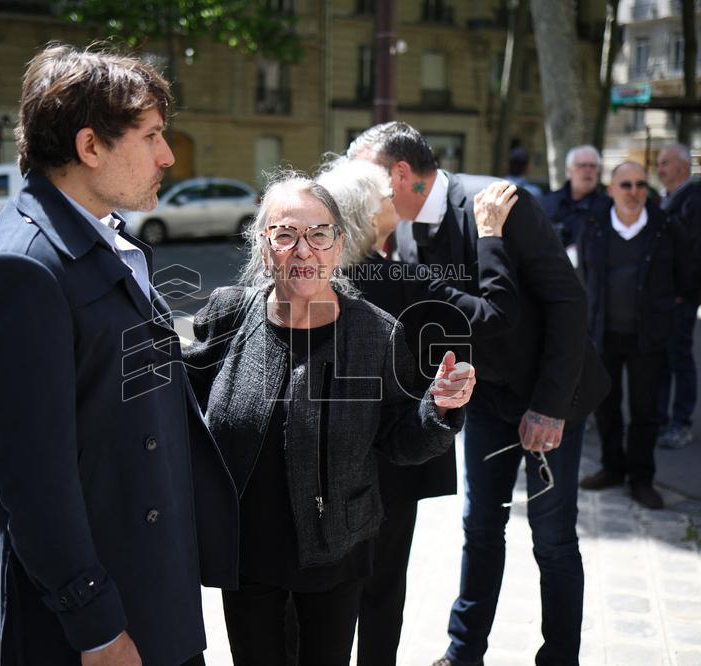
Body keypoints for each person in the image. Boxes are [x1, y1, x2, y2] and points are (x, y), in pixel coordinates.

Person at [0, 43, 238, 666]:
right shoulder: (21, 267)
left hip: (146, 577)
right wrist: (96, 627)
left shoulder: (100, 233)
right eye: (152, 136)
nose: (168, 155)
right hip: (95, 611)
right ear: (90, 146)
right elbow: (34, 478)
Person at [182, 173, 475, 666]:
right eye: (285, 234)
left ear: (338, 245)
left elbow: (400, 442)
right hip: (247, 553)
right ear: (263, 246)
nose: (304, 250)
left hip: (337, 552)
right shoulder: (229, 316)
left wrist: (438, 409)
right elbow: (181, 407)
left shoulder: (375, 335)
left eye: (319, 234)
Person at [347, 122, 609, 666]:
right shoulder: (399, 227)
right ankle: (464, 652)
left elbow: (568, 303)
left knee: (552, 537)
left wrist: (549, 407)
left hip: (550, 394)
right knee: (481, 528)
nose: (359, 191)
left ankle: (560, 658)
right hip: (485, 397)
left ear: (400, 173)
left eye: (365, 178)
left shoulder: (501, 205)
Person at [316, 157, 521, 666]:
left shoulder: (312, 281)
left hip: (322, 462)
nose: (395, 199)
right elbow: (494, 315)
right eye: (384, 196)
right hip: (393, 460)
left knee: (323, 596)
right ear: (367, 216)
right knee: (382, 593)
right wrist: (490, 237)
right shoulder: (404, 280)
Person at [578, 161, 690, 510]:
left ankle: (641, 478)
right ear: (611, 189)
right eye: (625, 184)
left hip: (648, 336)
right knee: (605, 406)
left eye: (641, 184)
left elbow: (685, 272)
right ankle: (612, 468)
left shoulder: (665, 227)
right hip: (603, 334)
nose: (633, 191)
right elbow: (583, 275)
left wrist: (668, 306)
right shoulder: (594, 226)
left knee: (645, 411)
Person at [654, 144, 701, 450]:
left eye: (665, 163)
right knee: (661, 360)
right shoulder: (667, 199)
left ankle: (681, 423)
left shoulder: (696, 201)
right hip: (663, 299)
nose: (660, 169)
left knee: (679, 358)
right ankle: (660, 420)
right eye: (659, 163)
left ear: (683, 166)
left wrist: (683, 292)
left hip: (680, 299)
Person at [539, 144, 609, 253]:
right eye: (582, 165)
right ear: (569, 170)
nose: (588, 170)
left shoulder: (607, 207)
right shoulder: (548, 203)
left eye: (593, 166)